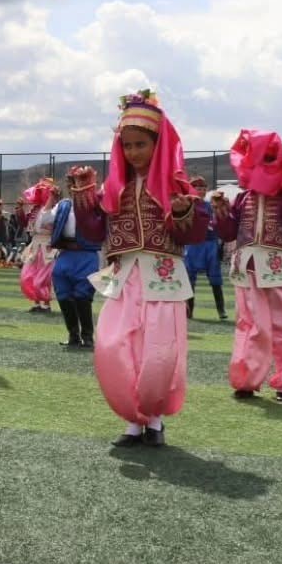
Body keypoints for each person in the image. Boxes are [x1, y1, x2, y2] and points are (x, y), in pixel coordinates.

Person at [71, 90, 207, 448]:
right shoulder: (114, 189)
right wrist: (84, 195)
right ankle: (133, 417)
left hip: (163, 277)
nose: (133, 152)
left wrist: (181, 211)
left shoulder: (178, 186)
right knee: (113, 344)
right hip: (124, 275)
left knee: (159, 351)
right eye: (127, 145)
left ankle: (154, 420)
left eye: (140, 144)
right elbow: (94, 231)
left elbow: (193, 233)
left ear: (157, 144)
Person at [212, 130, 282, 403]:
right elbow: (228, 233)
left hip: (277, 269)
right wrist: (221, 212)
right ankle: (247, 380)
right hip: (247, 268)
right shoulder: (242, 198)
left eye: (269, 160)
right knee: (251, 325)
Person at [49, 177, 99, 349]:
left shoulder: (96, 204)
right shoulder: (63, 205)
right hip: (66, 254)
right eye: (73, 184)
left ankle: (88, 337)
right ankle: (73, 336)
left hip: (87, 255)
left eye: (81, 183)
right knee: (63, 293)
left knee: (83, 296)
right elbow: (43, 221)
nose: (76, 188)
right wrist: (50, 200)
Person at [182, 175, 227, 320]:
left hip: (210, 244)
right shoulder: (187, 204)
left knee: (215, 278)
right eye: (197, 188)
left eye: (203, 188)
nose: (200, 191)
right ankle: (189, 311)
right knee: (190, 278)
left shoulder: (210, 205)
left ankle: (221, 310)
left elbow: (218, 222)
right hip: (193, 245)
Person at [17, 178, 59, 314]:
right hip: (34, 245)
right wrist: (20, 210)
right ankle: (36, 302)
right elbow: (24, 223)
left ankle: (45, 304)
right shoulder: (34, 209)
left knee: (45, 276)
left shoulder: (54, 209)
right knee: (29, 274)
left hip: (47, 245)